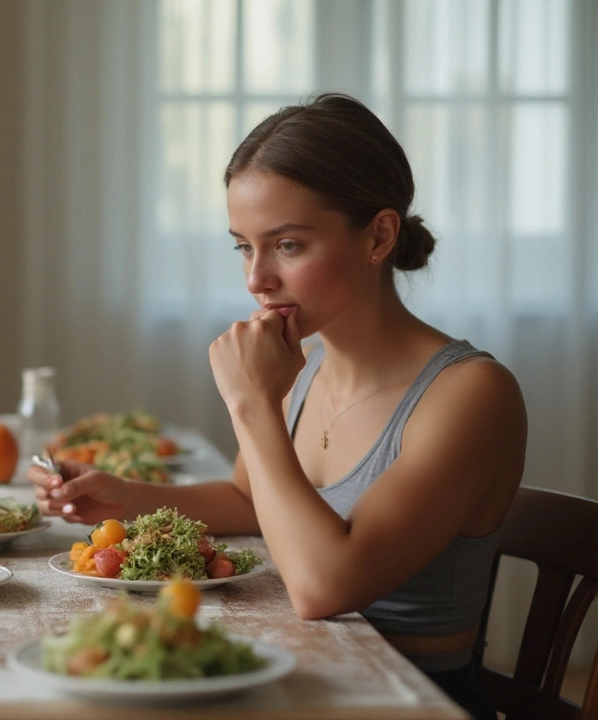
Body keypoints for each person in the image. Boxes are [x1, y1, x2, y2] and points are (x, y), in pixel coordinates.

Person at [28, 93, 526, 720]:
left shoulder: (470, 395)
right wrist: (123, 497)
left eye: (287, 245)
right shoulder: (303, 369)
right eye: (244, 246)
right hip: (302, 680)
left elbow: (323, 588)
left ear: (378, 235)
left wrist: (249, 402)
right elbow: (249, 502)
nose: (256, 279)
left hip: (402, 701)